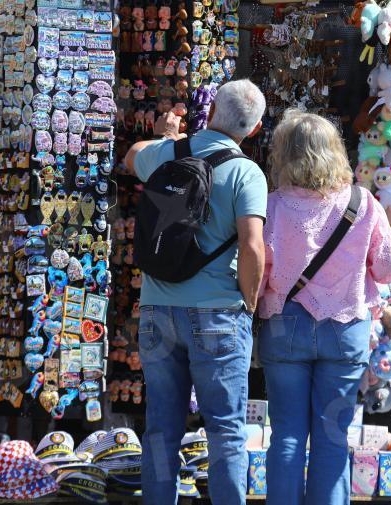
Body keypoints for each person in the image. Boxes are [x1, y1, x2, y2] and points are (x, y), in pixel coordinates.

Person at [125, 79, 267, 505]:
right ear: (255, 129)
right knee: (225, 429)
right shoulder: (246, 173)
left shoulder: (168, 154)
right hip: (218, 312)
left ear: (211, 112)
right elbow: (252, 246)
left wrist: (167, 137)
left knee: (161, 428)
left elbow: (132, 155)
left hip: (157, 309)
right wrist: (249, 303)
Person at [257, 110, 391, 505]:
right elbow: (390, 269)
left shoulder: (272, 206)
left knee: (287, 435)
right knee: (332, 438)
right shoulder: (362, 202)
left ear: (284, 154)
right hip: (346, 329)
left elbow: (257, 273)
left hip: (284, 326)